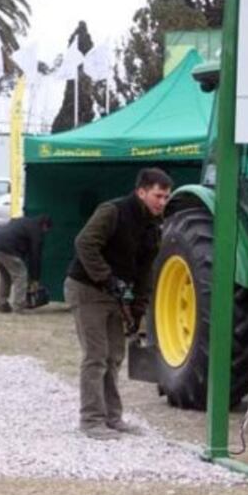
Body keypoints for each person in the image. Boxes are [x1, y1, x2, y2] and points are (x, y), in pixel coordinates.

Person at [66, 167, 172, 440]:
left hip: (116, 294)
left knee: (114, 356)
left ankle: (113, 417)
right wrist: (106, 278)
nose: (162, 202)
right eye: (158, 195)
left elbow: (146, 270)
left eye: (166, 197)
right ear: (141, 191)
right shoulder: (112, 211)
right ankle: (91, 420)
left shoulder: (153, 226)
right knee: (96, 356)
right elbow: (85, 243)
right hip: (87, 288)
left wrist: (138, 309)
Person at [0, 214, 51, 313]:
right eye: (46, 230)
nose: (45, 233)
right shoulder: (36, 230)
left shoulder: (23, 221)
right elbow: (35, 256)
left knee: (5, 276)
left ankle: (2, 304)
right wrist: (35, 279)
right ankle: (19, 306)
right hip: (7, 247)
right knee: (21, 275)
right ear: (44, 226)